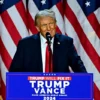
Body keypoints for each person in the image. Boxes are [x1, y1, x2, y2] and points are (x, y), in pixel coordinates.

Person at [9, 9, 87, 72]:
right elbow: (14, 71)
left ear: (55, 24)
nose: (49, 28)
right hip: (32, 88)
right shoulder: (25, 44)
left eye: (51, 24)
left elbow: (78, 66)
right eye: (44, 25)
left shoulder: (65, 42)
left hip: (59, 88)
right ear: (38, 28)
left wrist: (85, 81)